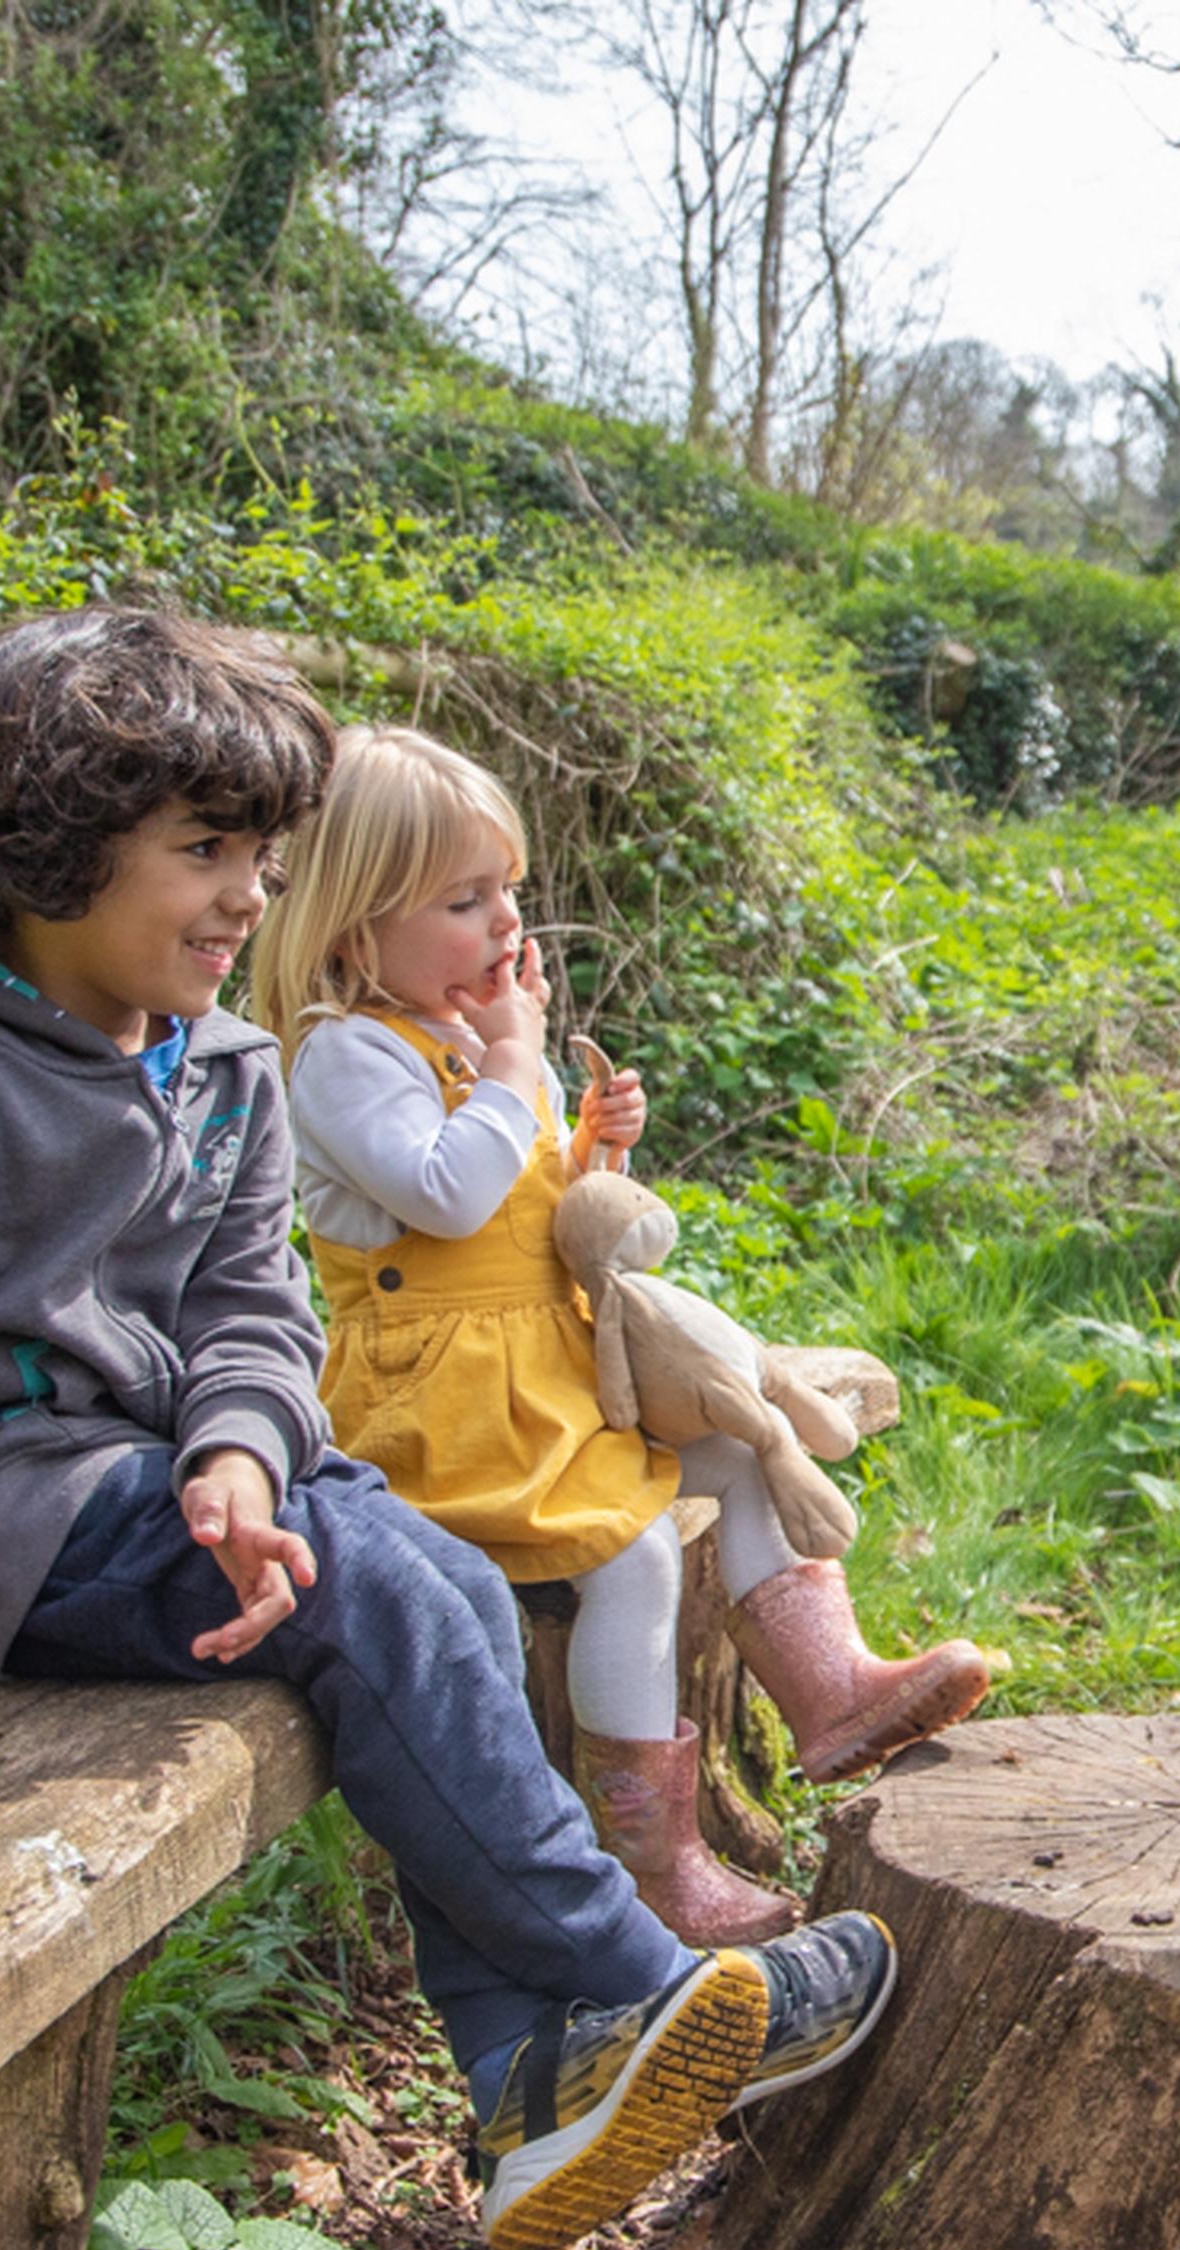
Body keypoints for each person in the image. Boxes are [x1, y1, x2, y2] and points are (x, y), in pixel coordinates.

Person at [0, 611, 894, 2250]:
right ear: (44, 844)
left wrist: (234, 1447)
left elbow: (252, 1316)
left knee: (427, 1584)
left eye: (264, 856)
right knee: (388, 1581)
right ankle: (640, 1985)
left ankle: (523, 2084)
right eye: (206, 851)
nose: (250, 898)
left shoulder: (219, 1062)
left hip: (186, 1501)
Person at [251, 726, 993, 1944]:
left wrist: (592, 1142)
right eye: (462, 899)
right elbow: (447, 1196)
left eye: (508, 891)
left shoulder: (465, 1038)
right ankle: (650, 1857)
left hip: (547, 1374)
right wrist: (511, 1064)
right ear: (351, 927)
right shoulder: (343, 1056)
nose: (503, 924)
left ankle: (830, 1690)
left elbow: (540, 1211)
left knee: (742, 1452)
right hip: (446, 1412)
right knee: (636, 1555)